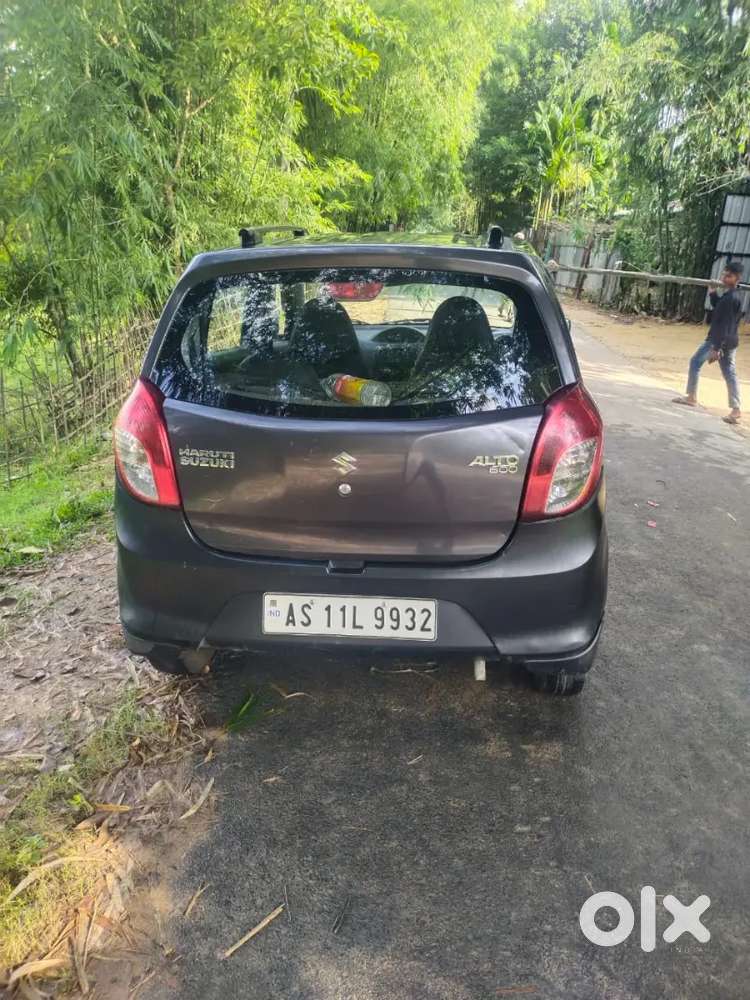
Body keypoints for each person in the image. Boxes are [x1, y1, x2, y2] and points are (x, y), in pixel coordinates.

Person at [673, 260, 744, 424]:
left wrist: (716, 348)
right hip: (729, 341)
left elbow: (722, 325)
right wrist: (712, 293)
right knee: (729, 373)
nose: (725, 278)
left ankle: (691, 397)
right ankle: (735, 409)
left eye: (729, 276)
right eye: (724, 275)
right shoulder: (730, 296)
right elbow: (717, 308)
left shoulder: (730, 298)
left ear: (737, 278)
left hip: (719, 340)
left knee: (695, 362)